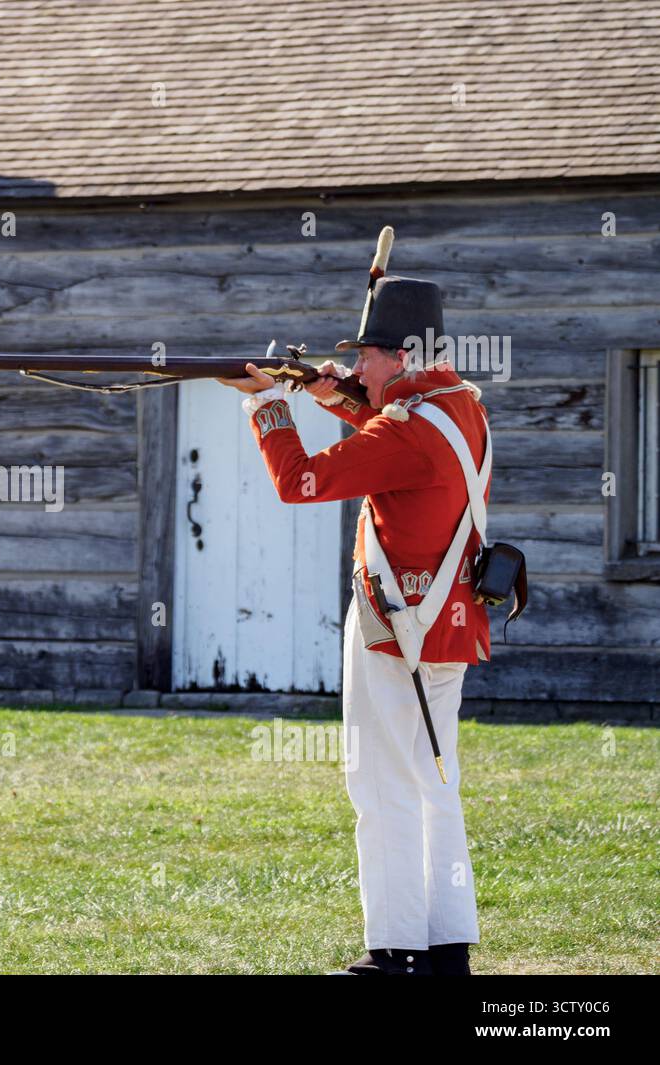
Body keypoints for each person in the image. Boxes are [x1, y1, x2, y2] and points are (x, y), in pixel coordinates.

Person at [220, 276, 489, 975]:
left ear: (402, 356)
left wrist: (269, 407)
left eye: (367, 354)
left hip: (396, 627)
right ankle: (447, 945)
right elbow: (390, 435)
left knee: (379, 782)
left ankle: (398, 949)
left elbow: (298, 480)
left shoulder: (410, 427)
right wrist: (330, 391)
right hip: (442, 624)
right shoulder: (457, 408)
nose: (357, 365)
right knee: (434, 778)